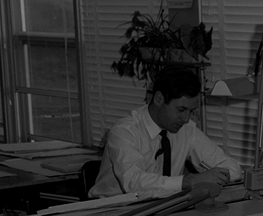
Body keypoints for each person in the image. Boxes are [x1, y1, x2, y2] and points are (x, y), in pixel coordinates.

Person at [90, 67, 241, 199]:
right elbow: (134, 183)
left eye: (191, 111)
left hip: (162, 209)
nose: (186, 118)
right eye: (181, 110)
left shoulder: (186, 130)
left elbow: (233, 168)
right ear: (159, 98)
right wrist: (189, 181)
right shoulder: (124, 132)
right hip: (111, 210)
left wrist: (215, 175)